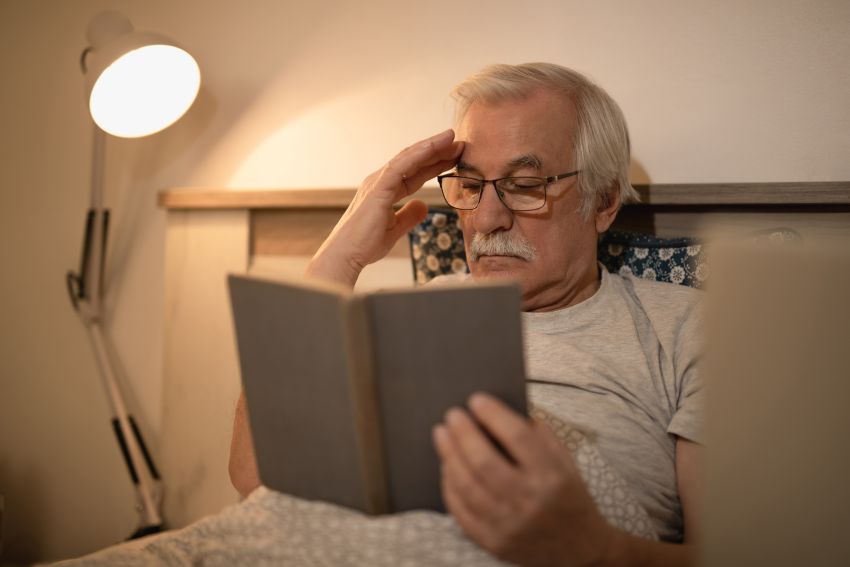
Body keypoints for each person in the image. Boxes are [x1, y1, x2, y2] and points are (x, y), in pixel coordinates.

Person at [229, 62, 703, 567]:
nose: (487, 219)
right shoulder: (409, 315)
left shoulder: (684, 327)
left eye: (525, 185)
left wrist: (593, 548)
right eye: (471, 185)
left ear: (603, 201)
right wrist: (339, 259)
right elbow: (256, 475)